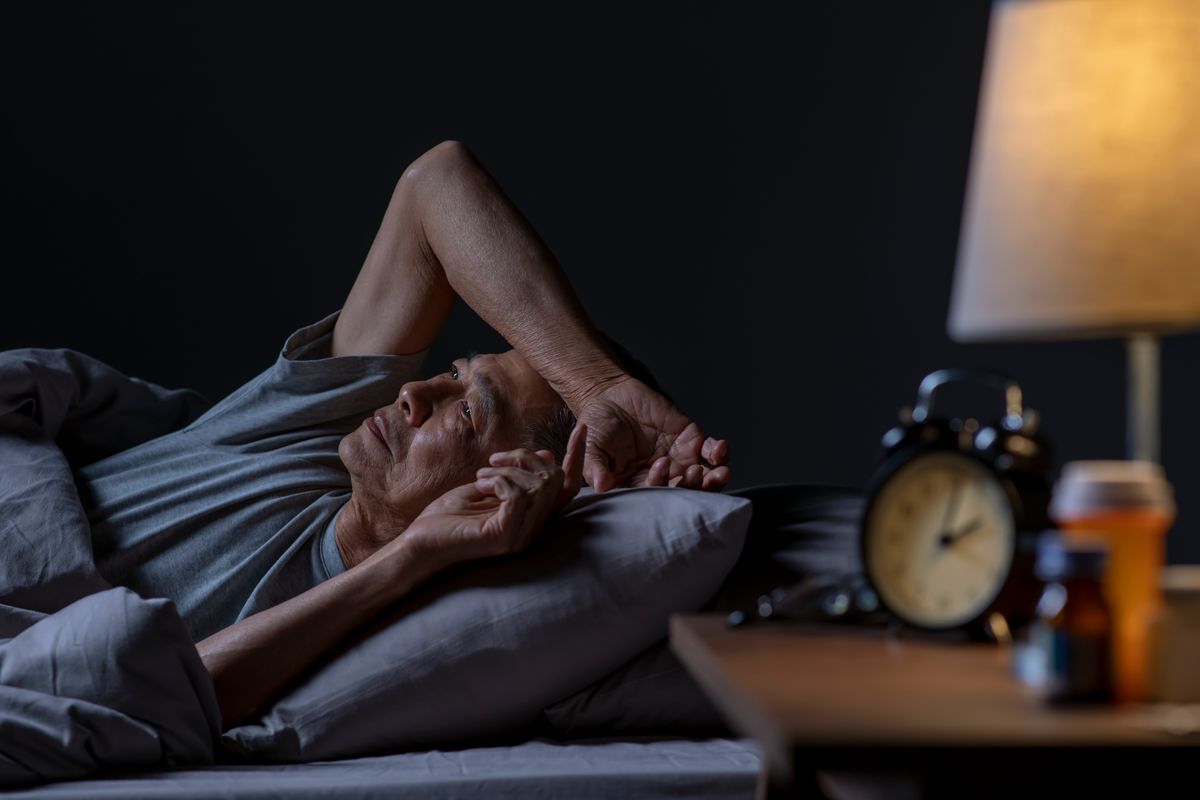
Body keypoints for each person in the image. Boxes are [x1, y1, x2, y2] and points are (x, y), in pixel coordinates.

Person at [73, 141, 730, 728]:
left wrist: (411, 554)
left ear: (513, 487)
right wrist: (594, 386)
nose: (414, 394)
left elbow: (159, 696)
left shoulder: (351, 622)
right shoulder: (305, 430)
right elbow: (436, 181)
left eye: (468, 414)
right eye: (453, 373)